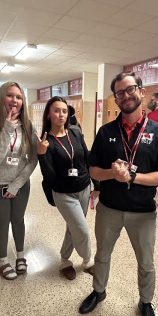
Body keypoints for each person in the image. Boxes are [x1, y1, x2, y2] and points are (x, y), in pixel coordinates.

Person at [79, 72, 158, 316]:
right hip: (109, 208)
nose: (126, 96)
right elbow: (93, 171)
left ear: (141, 92)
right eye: (120, 93)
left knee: (146, 262)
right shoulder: (106, 132)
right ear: (116, 99)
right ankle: (98, 292)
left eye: (130, 89)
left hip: (143, 212)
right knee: (102, 255)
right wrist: (113, 173)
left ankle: (145, 303)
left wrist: (133, 175)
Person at [0, 81, 37, 280]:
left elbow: (33, 158)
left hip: (20, 182)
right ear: (2, 97)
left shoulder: (27, 125)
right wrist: (8, 129)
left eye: (19, 97)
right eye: (10, 95)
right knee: (2, 222)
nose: (15, 100)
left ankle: (20, 256)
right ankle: (4, 260)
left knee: (18, 220)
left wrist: (17, 183)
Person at [37, 96, 98, 281]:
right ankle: (88, 261)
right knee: (82, 229)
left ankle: (64, 260)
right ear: (49, 114)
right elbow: (50, 177)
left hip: (84, 188)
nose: (61, 114)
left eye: (64, 111)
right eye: (56, 110)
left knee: (73, 227)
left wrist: (97, 184)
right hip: (63, 193)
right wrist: (41, 155)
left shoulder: (75, 132)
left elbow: (87, 158)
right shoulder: (46, 142)